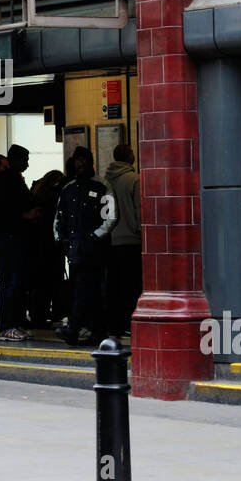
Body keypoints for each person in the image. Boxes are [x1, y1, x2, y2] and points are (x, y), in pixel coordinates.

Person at [54, 147, 116, 347]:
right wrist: (60, 238)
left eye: (83, 163)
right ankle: (98, 331)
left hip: (94, 249)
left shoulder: (102, 186)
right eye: (77, 163)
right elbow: (59, 216)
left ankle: (73, 329)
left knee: (81, 289)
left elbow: (111, 215)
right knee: (89, 291)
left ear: (91, 164)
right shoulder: (68, 188)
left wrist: (94, 237)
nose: (79, 166)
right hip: (74, 248)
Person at [0, 144, 41, 341]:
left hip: (10, 237)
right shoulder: (8, 180)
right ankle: (7, 326)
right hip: (9, 237)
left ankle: (13, 323)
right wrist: (25, 216)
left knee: (14, 282)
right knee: (9, 283)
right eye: (25, 159)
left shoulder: (8, 179)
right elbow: (5, 211)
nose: (27, 164)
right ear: (15, 160)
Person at [102, 145, 142, 337]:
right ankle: (128, 321)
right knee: (131, 284)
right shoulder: (135, 180)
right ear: (130, 157)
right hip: (131, 240)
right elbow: (139, 209)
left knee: (114, 285)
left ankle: (114, 324)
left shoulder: (105, 180)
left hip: (110, 241)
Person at [28, 170, 67, 327]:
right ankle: (54, 313)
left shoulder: (36, 192)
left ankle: (38, 313)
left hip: (36, 245)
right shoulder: (55, 196)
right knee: (53, 280)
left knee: (39, 282)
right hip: (51, 244)